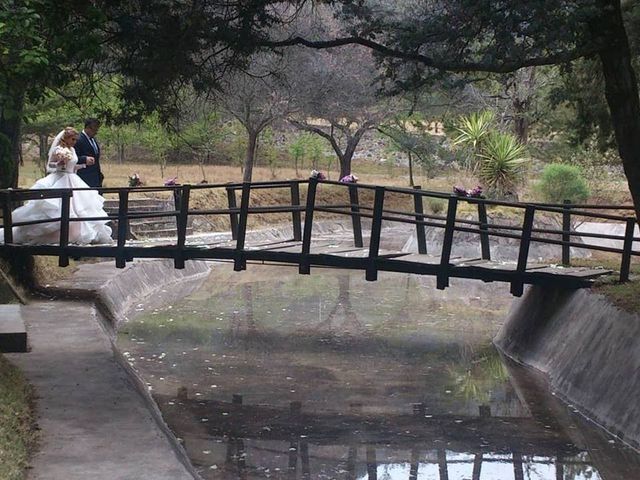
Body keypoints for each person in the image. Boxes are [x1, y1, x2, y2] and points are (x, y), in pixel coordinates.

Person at [0, 127, 112, 245]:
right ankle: (57, 235)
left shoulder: (72, 150)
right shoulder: (58, 150)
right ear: (66, 138)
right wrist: (59, 164)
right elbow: (50, 167)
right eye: (73, 139)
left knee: (79, 207)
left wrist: (83, 165)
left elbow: (72, 166)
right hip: (60, 178)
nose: (74, 142)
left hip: (72, 178)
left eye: (75, 139)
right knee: (58, 206)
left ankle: (76, 234)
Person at [75, 118, 104, 187]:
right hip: (84, 177)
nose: (96, 132)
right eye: (95, 129)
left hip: (96, 177)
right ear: (88, 128)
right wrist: (85, 159)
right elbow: (73, 158)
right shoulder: (78, 140)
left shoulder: (93, 139)